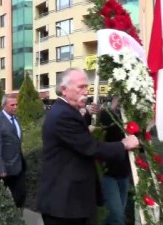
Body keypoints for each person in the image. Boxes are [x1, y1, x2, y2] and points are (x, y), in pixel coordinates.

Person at [37, 68, 139, 225]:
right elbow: (91, 147)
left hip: (71, 201)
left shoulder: (67, 111)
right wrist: (123, 144)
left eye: (87, 87)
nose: (86, 91)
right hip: (65, 205)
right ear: (64, 90)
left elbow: (77, 140)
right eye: (81, 87)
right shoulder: (63, 114)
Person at [0, 94, 26, 208]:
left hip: (17, 167)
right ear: (4, 105)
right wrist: (0, 169)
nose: (15, 107)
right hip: (3, 168)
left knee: (20, 196)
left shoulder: (16, 119)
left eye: (16, 104)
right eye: (12, 105)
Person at [99, 96, 131, 225]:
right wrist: (113, 108)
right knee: (116, 215)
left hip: (124, 172)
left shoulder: (130, 117)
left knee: (118, 214)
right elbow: (102, 125)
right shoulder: (106, 114)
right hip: (108, 171)